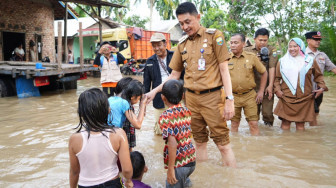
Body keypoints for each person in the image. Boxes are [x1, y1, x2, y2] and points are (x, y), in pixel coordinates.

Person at [146, 2, 236, 167]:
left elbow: (224, 70)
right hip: (191, 101)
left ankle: (232, 178)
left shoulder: (214, 36)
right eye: (181, 23)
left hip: (213, 98)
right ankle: (204, 177)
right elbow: (174, 75)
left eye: (188, 22)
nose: (184, 27)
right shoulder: (182, 44)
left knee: (222, 144)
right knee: (199, 142)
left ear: (198, 17)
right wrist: (153, 92)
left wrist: (230, 100)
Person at [68, 88, 133, 188]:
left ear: (81, 113)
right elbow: (127, 169)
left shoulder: (75, 139)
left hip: (86, 185)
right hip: (112, 183)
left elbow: (74, 171)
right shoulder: (118, 134)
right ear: (108, 110)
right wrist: (128, 181)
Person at [274, 38, 328, 130]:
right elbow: (277, 79)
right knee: (285, 124)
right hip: (286, 98)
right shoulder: (282, 61)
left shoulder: (310, 61)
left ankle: (300, 144)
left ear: (301, 47)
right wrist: (277, 90)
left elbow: (318, 76)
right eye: (290, 46)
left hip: (305, 97)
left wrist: (322, 88)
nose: (292, 49)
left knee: (300, 126)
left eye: (295, 46)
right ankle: (285, 144)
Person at [159, 80, 196, 188]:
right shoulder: (187, 111)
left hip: (179, 164)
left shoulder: (165, 117)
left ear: (163, 97)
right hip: (191, 160)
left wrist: (170, 169)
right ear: (183, 96)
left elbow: (172, 143)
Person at [229, 33, 268, 136]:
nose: (232, 45)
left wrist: (260, 91)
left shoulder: (251, 57)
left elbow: (264, 72)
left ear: (243, 44)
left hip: (249, 96)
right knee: (234, 124)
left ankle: (255, 148)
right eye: (231, 43)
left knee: (253, 123)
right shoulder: (226, 58)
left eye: (236, 43)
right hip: (233, 97)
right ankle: (235, 148)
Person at [144, 33, 176, 135]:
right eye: (154, 46)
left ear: (165, 44)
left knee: (177, 125)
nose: (156, 48)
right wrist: (143, 102)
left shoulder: (174, 56)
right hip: (158, 97)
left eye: (159, 45)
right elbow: (146, 83)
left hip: (175, 96)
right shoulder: (150, 61)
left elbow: (183, 76)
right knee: (160, 130)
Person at [245, 28, 278, 126]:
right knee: (253, 115)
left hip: (267, 86)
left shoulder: (272, 50)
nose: (263, 43)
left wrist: (271, 86)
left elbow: (272, 67)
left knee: (267, 114)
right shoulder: (247, 50)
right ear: (255, 39)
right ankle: (255, 136)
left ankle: (268, 134)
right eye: (260, 40)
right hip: (252, 87)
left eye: (265, 40)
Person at [305, 31, 336, 126]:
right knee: (311, 114)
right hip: (306, 90)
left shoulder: (322, 55)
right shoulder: (302, 54)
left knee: (316, 112)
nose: (318, 41)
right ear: (308, 40)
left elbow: (333, 68)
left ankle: (312, 133)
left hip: (318, 90)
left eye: (319, 39)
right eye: (316, 39)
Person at [108, 79, 147, 150]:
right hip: (115, 135)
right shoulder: (125, 103)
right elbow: (138, 125)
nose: (138, 101)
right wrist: (143, 104)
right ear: (132, 97)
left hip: (106, 135)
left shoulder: (110, 99)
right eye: (138, 98)